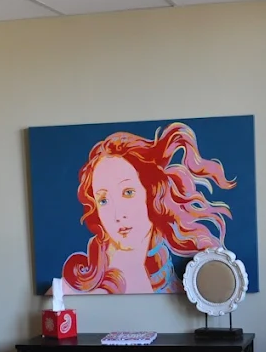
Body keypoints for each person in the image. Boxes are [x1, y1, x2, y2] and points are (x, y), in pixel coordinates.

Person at [63, 122, 234, 294]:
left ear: (152, 193)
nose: (118, 215)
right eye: (104, 200)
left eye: (128, 193)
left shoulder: (169, 281)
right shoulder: (72, 291)